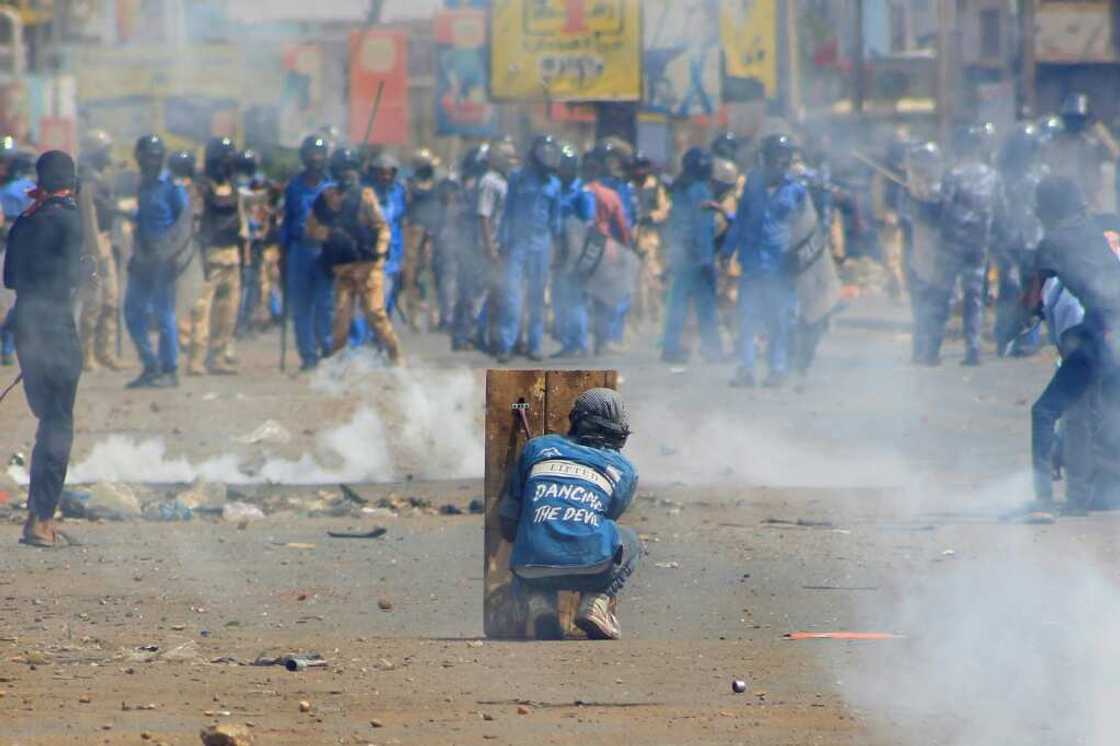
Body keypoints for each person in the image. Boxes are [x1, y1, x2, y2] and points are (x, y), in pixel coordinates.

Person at [498, 388, 639, 640]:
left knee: (530, 536)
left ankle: (539, 604)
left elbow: (508, 518)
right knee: (629, 540)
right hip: (592, 568)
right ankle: (595, 604)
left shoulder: (536, 447)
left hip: (529, 569)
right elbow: (607, 518)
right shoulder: (625, 469)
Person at [1020, 177, 1120, 516]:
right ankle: (1080, 499)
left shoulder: (1051, 242)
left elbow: (1032, 300)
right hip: (1106, 332)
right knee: (1089, 412)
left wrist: (1023, 319)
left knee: (1046, 411)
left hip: (1102, 337)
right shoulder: (1095, 234)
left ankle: (1044, 498)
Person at [2, 151, 83, 546]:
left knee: (46, 418)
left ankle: (38, 515)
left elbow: (10, 277)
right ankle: (41, 522)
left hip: (26, 326)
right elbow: (72, 276)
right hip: (54, 328)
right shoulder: (69, 218)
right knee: (57, 424)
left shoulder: (25, 219)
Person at [723, 134, 807, 387]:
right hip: (752, 264)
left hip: (782, 267)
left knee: (779, 320)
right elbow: (741, 219)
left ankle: (777, 369)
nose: (780, 164)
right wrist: (728, 249)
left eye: (785, 159)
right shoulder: (752, 183)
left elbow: (806, 229)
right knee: (748, 317)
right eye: (776, 158)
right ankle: (746, 368)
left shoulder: (797, 191)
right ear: (766, 158)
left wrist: (801, 261)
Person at [306, 147, 401, 365]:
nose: (348, 175)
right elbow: (311, 228)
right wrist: (330, 234)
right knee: (341, 319)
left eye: (351, 170)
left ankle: (396, 358)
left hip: (368, 267)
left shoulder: (365, 196)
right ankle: (337, 364)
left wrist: (379, 250)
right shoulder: (327, 198)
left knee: (377, 315)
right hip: (343, 269)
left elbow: (381, 226)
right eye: (343, 170)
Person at [925, 124, 1002, 366]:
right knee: (974, 298)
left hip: (951, 246)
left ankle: (932, 350)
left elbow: (942, 208)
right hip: (979, 245)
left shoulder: (953, 175)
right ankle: (973, 350)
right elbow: (1001, 210)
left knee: (943, 296)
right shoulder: (993, 176)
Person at [124, 135, 189, 388]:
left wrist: (173, 255)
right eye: (146, 155)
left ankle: (170, 369)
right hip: (142, 257)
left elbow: (183, 225)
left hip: (164, 258)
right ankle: (150, 365)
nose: (150, 160)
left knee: (163, 315)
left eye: (155, 155)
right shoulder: (143, 184)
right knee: (132, 312)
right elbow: (142, 222)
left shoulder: (172, 186)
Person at [494, 135, 562, 363]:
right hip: (517, 244)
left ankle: (534, 345)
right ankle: (506, 345)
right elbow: (508, 212)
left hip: (542, 246)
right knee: (512, 295)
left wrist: (556, 249)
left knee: (536, 298)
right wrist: (502, 242)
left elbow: (556, 221)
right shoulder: (518, 178)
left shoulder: (554, 184)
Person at [184, 137, 243, 376]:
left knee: (227, 313)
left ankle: (218, 358)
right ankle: (196, 360)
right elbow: (194, 223)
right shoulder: (201, 187)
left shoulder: (233, 187)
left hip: (232, 255)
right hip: (208, 256)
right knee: (202, 312)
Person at [661, 146, 721, 364]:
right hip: (698, 255)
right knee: (706, 306)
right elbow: (702, 227)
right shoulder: (700, 190)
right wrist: (705, 259)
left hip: (682, 254)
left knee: (677, 302)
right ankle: (713, 349)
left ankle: (670, 346)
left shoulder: (679, 188)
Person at [993, 123, 1047, 357]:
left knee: (1032, 292)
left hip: (1033, 241)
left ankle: (1025, 338)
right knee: (1010, 289)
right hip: (1011, 241)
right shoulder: (1002, 179)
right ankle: (1005, 336)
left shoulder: (1039, 176)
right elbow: (997, 211)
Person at [281, 135, 333, 370]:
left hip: (325, 252)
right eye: (312, 154)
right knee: (301, 307)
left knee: (325, 305)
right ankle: (308, 356)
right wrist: (283, 251)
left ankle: (328, 350)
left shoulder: (333, 188)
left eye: (320, 154)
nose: (316, 158)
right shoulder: (294, 187)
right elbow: (288, 221)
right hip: (299, 251)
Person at [76, 129, 123, 371]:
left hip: (107, 241)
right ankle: (87, 355)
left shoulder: (103, 180)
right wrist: (98, 254)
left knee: (111, 300)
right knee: (93, 303)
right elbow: (90, 221)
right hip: (93, 247)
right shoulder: (86, 183)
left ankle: (106, 352)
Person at [581, 144, 633, 357]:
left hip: (581, 246)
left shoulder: (580, 190)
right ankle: (603, 341)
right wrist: (626, 247)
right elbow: (622, 225)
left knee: (583, 294)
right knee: (606, 295)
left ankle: (581, 340)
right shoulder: (611, 194)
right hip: (605, 246)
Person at [551, 144, 596, 358]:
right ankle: (569, 343)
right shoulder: (557, 188)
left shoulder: (581, 192)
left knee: (575, 296)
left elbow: (588, 225)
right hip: (559, 247)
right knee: (561, 296)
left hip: (575, 248)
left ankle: (580, 342)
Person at [1047, 93, 1117, 209]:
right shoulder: (1057, 143)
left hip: (1090, 205)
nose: (1073, 122)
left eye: (1077, 118)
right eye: (1069, 118)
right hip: (1064, 206)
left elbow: (1113, 155)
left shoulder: (1092, 143)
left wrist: (1096, 125)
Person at [629, 152, 670, 330]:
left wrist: (651, 216)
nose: (640, 171)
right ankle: (636, 319)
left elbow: (665, 209)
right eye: (637, 167)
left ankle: (655, 315)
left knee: (652, 277)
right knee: (634, 281)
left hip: (650, 237)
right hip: (631, 236)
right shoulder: (628, 186)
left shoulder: (656, 186)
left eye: (643, 167)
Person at [366, 152, 408, 321]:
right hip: (371, 252)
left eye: (389, 173)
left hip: (393, 253)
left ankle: (381, 340)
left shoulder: (399, 192)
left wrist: (403, 257)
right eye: (381, 172)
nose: (385, 176)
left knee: (388, 298)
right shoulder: (367, 192)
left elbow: (401, 223)